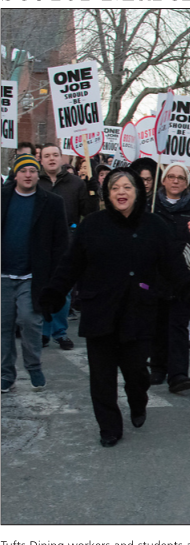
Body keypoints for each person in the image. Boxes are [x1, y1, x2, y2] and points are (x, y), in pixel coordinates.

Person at [40, 169, 190, 446]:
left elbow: (172, 265)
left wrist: (189, 290)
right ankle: (109, 427)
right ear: (107, 194)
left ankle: (138, 400)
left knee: (136, 372)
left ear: (138, 192)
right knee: (101, 377)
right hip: (100, 311)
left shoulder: (155, 225)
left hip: (139, 310)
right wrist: (54, 292)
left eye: (127, 187)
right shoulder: (92, 225)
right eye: (114, 188)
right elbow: (71, 263)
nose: (121, 192)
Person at [1, 155, 69, 394]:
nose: (28, 175)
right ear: (16, 174)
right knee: (3, 326)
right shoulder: (3, 197)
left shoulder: (51, 202)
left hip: (33, 276)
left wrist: (55, 276)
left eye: (32, 170)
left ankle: (33, 365)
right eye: (23, 171)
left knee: (30, 321)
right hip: (3, 276)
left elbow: (61, 242)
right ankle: (6, 374)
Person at [37, 142, 97, 348]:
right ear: (41, 159)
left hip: (67, 241)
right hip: (40, 242)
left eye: (55, 155)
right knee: (42, 287)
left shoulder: (75, 183)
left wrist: (92, 191)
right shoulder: (34, 181)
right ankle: (43, 331)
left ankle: (60, 332)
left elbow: (89, 212)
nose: (52, 159)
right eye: (47, 155)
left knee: (64, 288)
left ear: (62, 158)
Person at [151, 164, 190, 392]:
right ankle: (158, 368)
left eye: (181, 178)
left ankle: (178, 374)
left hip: (183, 276)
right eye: (171, 176)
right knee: (158, 323)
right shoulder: (151, 206)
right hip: (157, 275)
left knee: (178, 324)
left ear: (187, 182)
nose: (175, 181)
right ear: (163, 180)